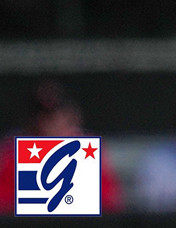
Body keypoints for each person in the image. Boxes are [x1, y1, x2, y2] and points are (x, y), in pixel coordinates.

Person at [0, 79, 124, 213]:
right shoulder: (13, 149)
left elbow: (110, 202)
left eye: (55, 114)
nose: (48, 122)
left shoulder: (88, 149)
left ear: (71, 114)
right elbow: (4, 203)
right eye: (42, 114)